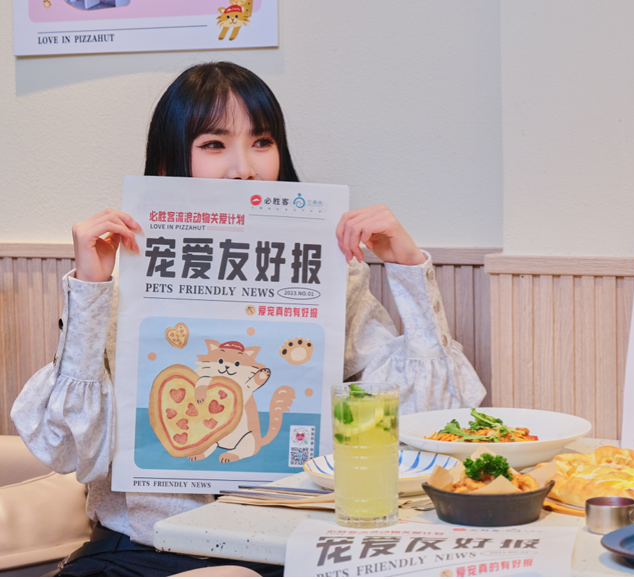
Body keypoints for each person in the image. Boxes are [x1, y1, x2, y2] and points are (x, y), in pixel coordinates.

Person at [11, 61, 486, 577]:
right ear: (169, 164)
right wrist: (90, 291)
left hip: (287, 547)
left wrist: (409, 270)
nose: (244, 168)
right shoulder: (116, 276)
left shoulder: (330, 274)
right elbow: (64, 448)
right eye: (214, 145)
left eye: (261, 142)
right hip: (142, 554)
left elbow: (432, 416)